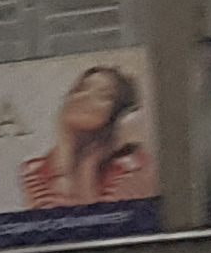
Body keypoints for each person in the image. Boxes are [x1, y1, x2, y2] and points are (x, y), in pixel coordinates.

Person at [19, 63, 152, 208]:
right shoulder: (34, 169)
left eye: (103, 95)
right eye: (80, 89)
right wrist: (65, 142)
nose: (83, 97)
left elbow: (105, 225)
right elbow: (50, 225)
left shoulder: (132, 165)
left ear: (118, 114)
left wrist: (88, 166)